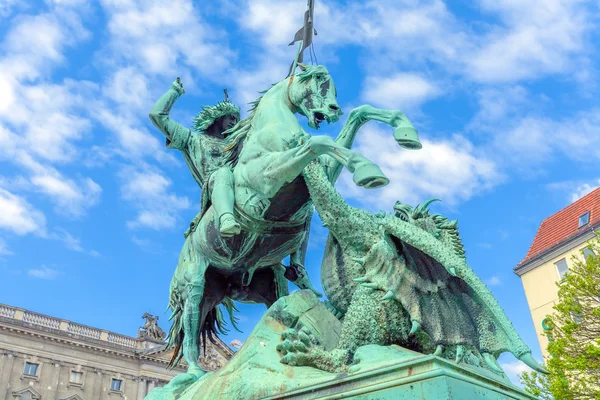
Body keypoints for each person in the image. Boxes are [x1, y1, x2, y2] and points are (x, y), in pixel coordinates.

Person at [149, 78, 241, 237]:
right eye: (231, 118)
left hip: (240, 187)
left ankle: (293, 258)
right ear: (219, 118)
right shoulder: (192, 139)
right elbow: (157, 115)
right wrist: (174, 91)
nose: (234, 122)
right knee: (223, 173)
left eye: (237, 120)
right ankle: (226, 218)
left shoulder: (238, 145)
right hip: (214, 185)